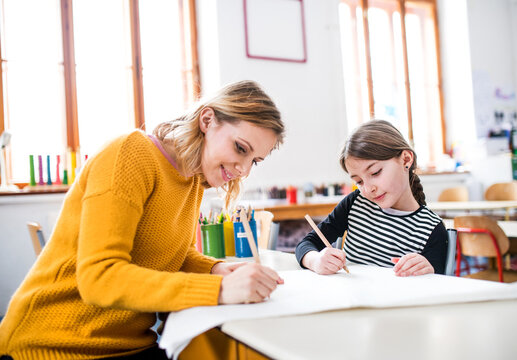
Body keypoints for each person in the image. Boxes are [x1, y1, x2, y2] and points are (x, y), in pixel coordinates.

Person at [0, 80, 286, 359]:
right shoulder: (130, 154)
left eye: (255, 161)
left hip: (129, 344)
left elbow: (173, 255)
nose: (244, 169)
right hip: (54, 346)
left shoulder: (192, 180)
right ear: (207, 120)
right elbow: (99, 278)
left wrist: (216, 270)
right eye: (240, 148)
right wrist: (220, 290)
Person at [296, 120, 447, 277]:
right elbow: (306, 244)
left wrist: (428, 270)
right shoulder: (355, 203)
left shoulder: (432, 229)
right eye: (359, 181)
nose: (368, 189)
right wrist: (315, 260)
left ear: (406, 160)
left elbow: (440, 285)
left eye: (375, 173)